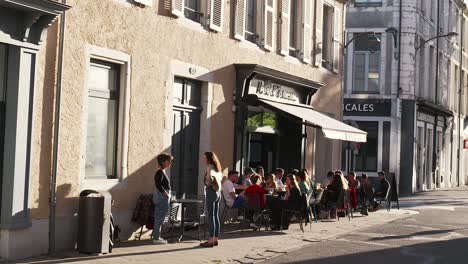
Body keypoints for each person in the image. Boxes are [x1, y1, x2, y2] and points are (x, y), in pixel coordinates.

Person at [201, 152, 223, 247]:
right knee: (215, 216)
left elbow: (209, 181)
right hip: (218, 193)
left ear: (209, 159)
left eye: (205, 158)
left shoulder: (210, 167)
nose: (204, 160)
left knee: (211, 217)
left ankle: (210, 240)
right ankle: (215, 239)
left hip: (211, 192)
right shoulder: (218, 168)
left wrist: (207, 176)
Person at [152, 153, 173, 245]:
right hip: (162, 198)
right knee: (159, 218)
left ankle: (157, 236)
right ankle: (156, 238)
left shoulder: (161, 171)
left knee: (159, 218)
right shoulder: (160, 172)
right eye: (169, 161)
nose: (170, 164)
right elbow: (158, 184)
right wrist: (165, 193)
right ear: (163, 162)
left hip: (162, 197)